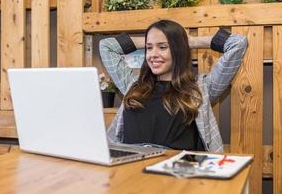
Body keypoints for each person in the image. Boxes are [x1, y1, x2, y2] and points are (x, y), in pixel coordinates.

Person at [99, 20, 248, 153]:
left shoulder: (201, 89)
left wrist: (190, 42)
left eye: (163, 47)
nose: (153, 54)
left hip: (178, 175)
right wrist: (150, 39)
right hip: (131, 172)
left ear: (179, 50)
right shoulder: (132, 85)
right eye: (149, 48)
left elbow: (238, 43)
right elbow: (106, 46)